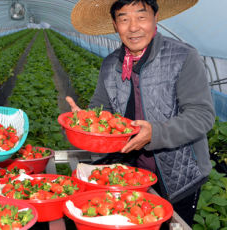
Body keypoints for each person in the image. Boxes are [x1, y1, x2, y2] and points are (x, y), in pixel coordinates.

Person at [69, 0, 215, 226]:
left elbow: (202, 115)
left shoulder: (182, 57)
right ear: (115, 24)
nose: (133, 27)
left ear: (155, 18)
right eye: (124, 18)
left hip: (177, 177)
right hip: (128, 173)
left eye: (141, 16)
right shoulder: (110, 65)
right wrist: (85, 121)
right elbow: (102, 109)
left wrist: (155, 134)